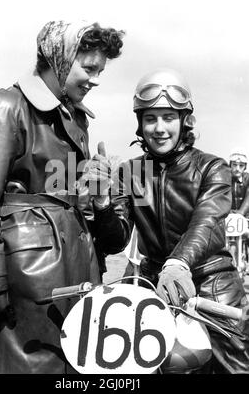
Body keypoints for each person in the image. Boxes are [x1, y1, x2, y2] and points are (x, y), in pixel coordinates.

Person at [0, 20, 124, 374]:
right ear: (57, 58)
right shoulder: (6, 107)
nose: (95, 79)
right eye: (88, 68)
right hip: (18, 283)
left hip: (65, 278)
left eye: (99, 71)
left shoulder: (75, 117)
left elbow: (64, 197)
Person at [89, 68, 249, 373]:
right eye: (150, 118)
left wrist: (177, 265)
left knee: (236, 368)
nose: (159, 128)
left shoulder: (213, 168)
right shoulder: (130, 172)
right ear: (140, 123)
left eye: (168, 117)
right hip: (153, 289)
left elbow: (204, 223)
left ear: (184, 121)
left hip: (213, 285)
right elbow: (115, 241)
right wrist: (102, 204)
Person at [229, 148, 249, 217]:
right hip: (227, 216)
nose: (237, 169)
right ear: (230, 165)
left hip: (245, 217)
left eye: (241, 166)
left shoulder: (248, 178)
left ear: (245, 167)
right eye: (234, 165)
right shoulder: (223, 178)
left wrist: (241, 213)